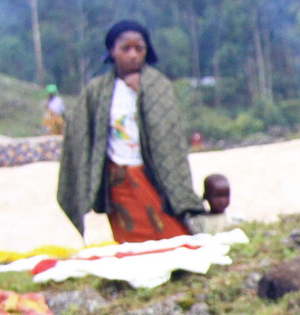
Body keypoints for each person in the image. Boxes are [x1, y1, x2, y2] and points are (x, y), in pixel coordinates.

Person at [55, 21, 204, 244]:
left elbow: (170, 136)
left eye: (139, 48)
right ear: (112, 52)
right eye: (126, 48)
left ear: (147, 51)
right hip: (118, 175)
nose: (133, 55)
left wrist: (140, 93)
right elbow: (79, 134)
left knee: (172, 233)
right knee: (131, 235)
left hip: (155, 175)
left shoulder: (158, 86)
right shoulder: (96, 91)